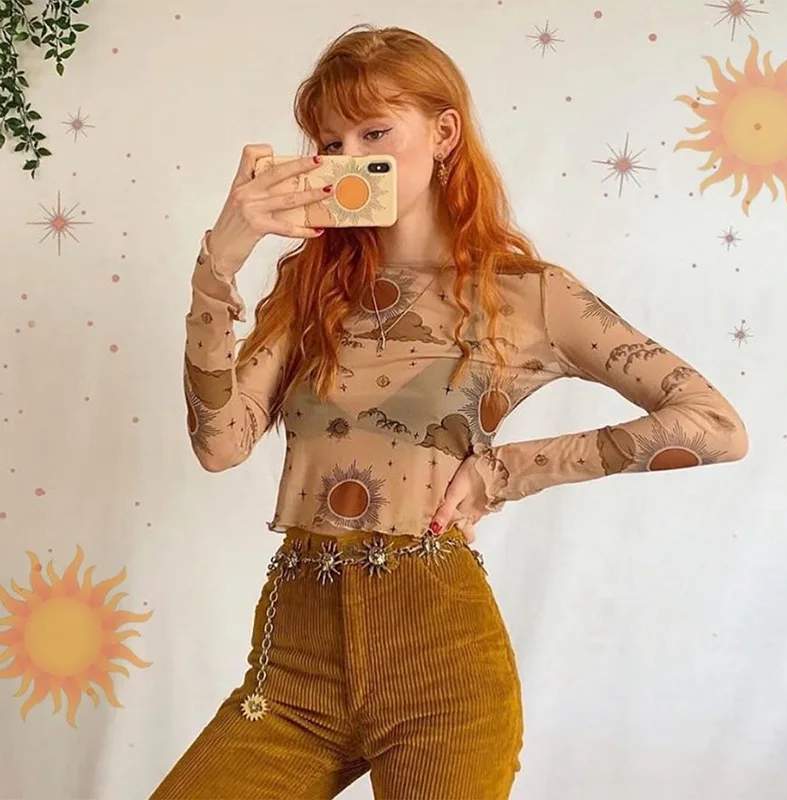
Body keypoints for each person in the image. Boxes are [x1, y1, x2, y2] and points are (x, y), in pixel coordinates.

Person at [149, 23, 748, 800]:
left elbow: (714, 425)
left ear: (443, 134)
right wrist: (218, 268)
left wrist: (506, 471)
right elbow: (220, 444)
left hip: (441, 663)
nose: (348, 157)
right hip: (294, 669)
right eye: (330, 142)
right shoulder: (311, 290)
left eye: (374, 132)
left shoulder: (527, 294)